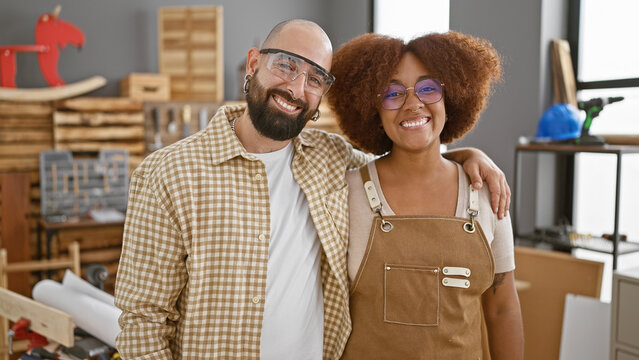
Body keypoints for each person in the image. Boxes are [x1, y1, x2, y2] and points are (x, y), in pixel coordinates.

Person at [114, 20, 512, 360]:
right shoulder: (168, 173)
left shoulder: (332, 159)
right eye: (286, 65)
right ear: (253, 64)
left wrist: (466, 156)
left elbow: (409, 159)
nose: (296, 88)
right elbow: (143, 320)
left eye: (315, 79)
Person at [327, 32, 524, 359]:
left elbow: (503, 309)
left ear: (454, 97)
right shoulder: (344, 193)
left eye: (428, 88)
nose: (413, 103)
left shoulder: (487, 192)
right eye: (392, 93)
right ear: (372, 108)